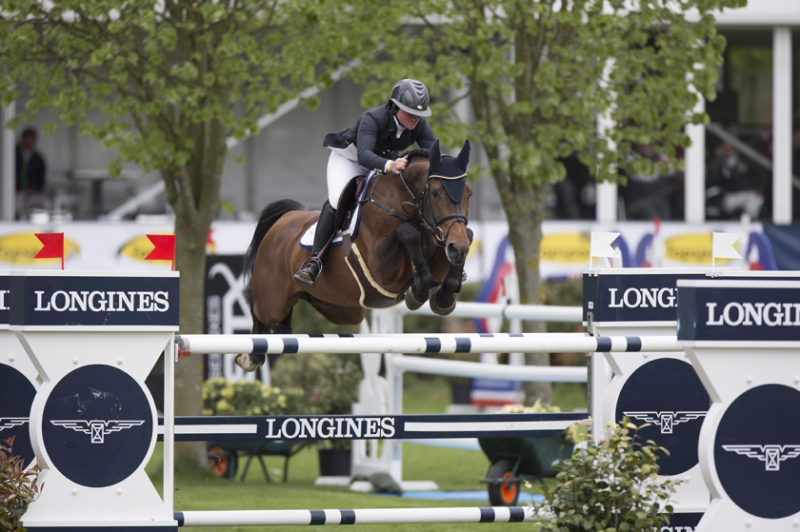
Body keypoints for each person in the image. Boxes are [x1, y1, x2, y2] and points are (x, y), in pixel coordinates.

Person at [294, 79, 437, 286]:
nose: (415, 118)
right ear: (395, 106)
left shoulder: (418, 124)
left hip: (386, 162)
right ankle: (314, 261)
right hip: (350, 160)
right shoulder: (373, 118)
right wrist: (389, 166)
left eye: (419, 114)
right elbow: (364, 155)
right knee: (337, 199)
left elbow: (433, 153)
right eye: (409, 111)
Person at [706, 140, 763, 220]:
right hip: (732, 194)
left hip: (749, 192)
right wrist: (716, 156)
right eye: (724, 147)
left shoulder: (744, 157)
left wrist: (760, 188)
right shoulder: (720, 162)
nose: (726, 149)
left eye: (728, 147)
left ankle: (750, 225)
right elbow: (711, 176)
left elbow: (760, 172)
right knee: (725, 204)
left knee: (753, 204)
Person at [15, 127, 47, 215]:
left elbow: (41, 178)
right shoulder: (15, 155)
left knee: (45, 205)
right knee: (16, 205)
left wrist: (34, 189)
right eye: (26, 140)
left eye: (30, 140)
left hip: (33, 193)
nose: (28, 143)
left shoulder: (38, 159)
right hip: (17, 192)